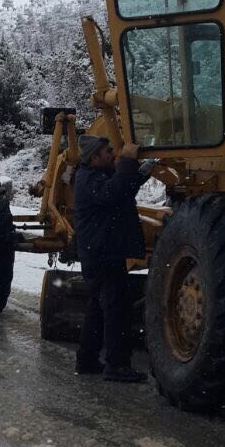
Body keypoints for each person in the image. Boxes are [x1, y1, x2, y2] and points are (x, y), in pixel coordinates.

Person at [73, 135, 150, 383]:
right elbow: (113, 193)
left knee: (97, 308)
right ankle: (117, 365)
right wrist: (128, 161)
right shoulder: (90, 179)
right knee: (117, 310)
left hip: (101, 251)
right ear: (94, 157)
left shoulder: (96, 177)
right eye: (107, 152)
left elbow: (122, 190)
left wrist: (140, 172)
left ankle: (86, 360)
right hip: (103, 254)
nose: (112, 155)